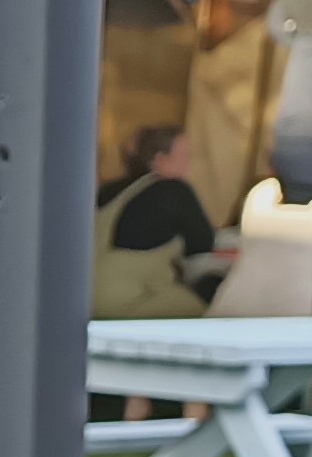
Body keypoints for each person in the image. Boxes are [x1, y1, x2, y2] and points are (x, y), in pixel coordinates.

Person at [93, 125, 220, 318]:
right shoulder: (173, 191)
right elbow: (202, 246)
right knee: (211, 305)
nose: (188, 163)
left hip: (87, 298)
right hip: (133, 298)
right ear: (160, 159)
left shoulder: (108, 191)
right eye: (184, 155)